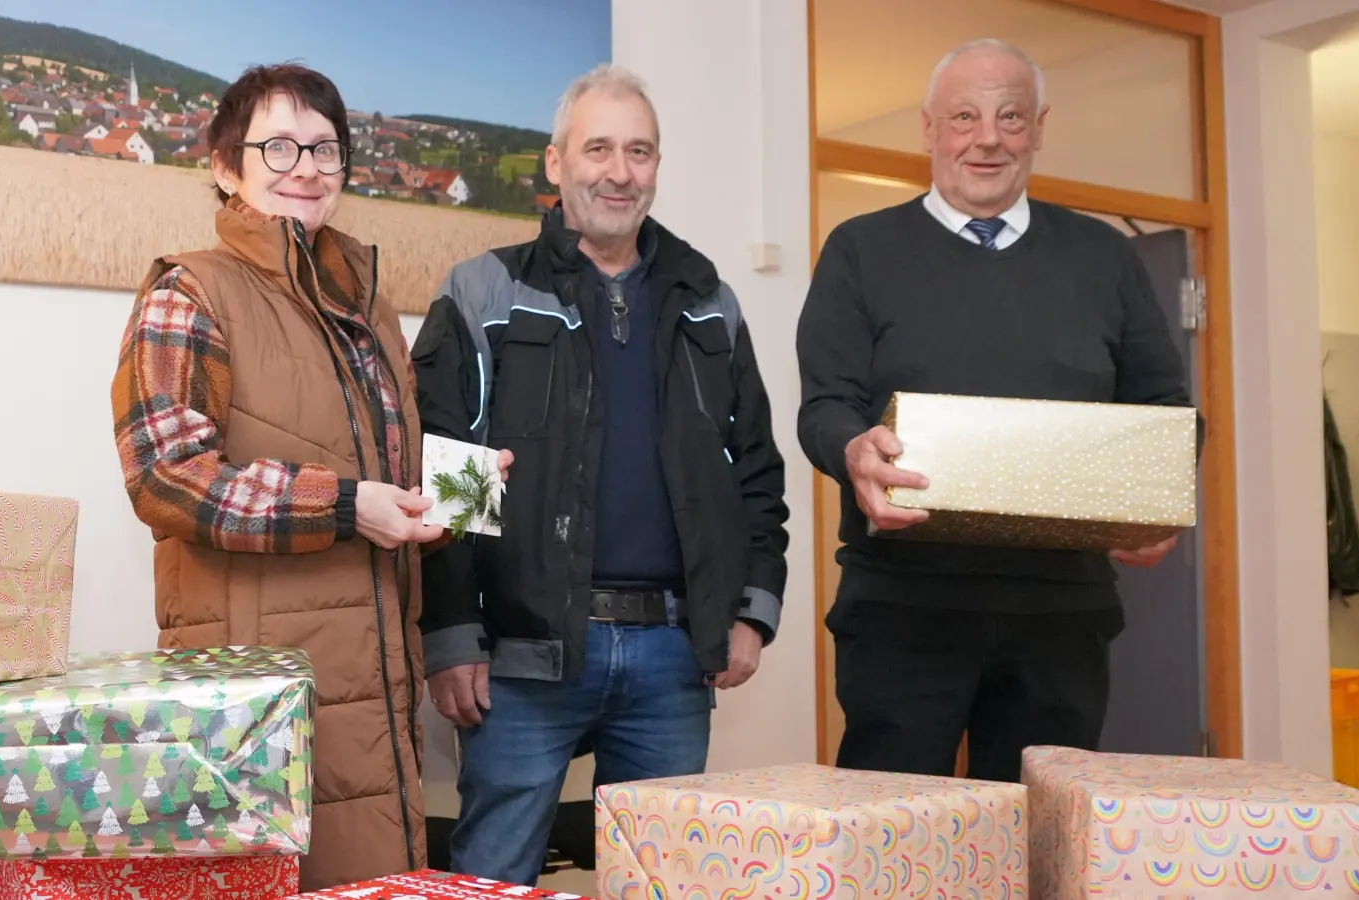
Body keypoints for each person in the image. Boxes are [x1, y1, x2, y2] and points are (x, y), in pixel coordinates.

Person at [110, 63, 507, 891]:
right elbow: (165, 475)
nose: (307, 168)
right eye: (280, 145)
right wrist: (349, 506)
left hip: (375, 695)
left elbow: (385, 480)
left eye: (326, 150)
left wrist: (464, 497)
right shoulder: (188, 292)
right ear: (226, 169)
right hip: (258, 696)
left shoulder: (367, 306)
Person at [411, 63, 790, 885]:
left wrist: (752, 611)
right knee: (490, 878)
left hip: (672, 656)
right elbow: (450, 476)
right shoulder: (486, 291)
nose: (619, 171)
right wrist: (449, 636)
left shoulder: (707, 300)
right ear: (556, 163)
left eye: (640, 151)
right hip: (520, 655)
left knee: (660, 877)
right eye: (599, 148)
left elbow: (755, 469)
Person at [795, 39, 1196, 784]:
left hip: (1061, 616)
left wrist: (1156, 497)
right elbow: (825, 404)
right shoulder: (859, 250)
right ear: (928, 129)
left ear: (1039, 128)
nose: (987, 138)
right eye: (965, 116)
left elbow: (1167, 408)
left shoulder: (1105, 258)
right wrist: (852, 449)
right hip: (903, 610)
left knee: (1040, 842)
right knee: (893, 842)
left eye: (1010, 116)